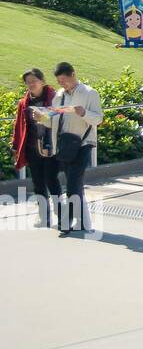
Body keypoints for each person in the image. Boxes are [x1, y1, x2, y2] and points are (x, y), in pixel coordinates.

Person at [49, 62, 102, 236]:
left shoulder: (89, 93)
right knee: (75, 185)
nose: (63, 84)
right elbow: (54, 120)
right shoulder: (59, 95)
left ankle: (66, 222)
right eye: (59, 81)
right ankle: (85, 222)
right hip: (64, 145)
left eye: (65, 80)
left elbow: (99, 119)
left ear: (73, 74)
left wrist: (84, 113)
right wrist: (41, 117)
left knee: (72, 184)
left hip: (83, 143)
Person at [11, 68, 58, 229]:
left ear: (42, 81)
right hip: (32, 149)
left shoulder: (55, 98)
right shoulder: (24, 103)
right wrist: (16, 146)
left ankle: (60, 214)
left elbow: (60, 120)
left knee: (52, 181)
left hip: (51, 147)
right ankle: (43, 217)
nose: (31, 84)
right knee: (38, 184)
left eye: (34, 81)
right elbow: (18, 126)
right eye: (28, 82)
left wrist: (44, 117)